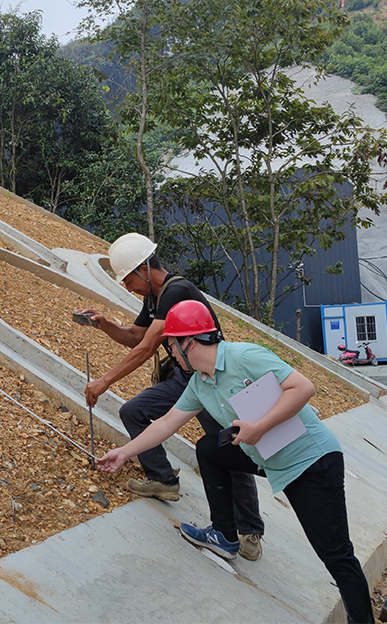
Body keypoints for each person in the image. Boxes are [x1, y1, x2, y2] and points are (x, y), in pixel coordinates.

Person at [97, 299, 373, 624]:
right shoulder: (200, 383)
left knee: (336, 555)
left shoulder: (245, 357)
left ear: (189, 341)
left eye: (170, 344)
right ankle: (225, 535)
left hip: (310, 462)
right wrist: (125, 452)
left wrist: (259, 426)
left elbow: (303, 387)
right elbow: (165, 424)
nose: (169, 352)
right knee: (210, 448)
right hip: (268, 455)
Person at [78, 232, 264, 561]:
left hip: (212, 380)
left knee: (229, 447)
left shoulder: (177, 291)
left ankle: (250, 530)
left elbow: (148, 346)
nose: (127, 286)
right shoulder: (155, 297)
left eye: (128, 279)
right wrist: (105, 324)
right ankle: (163, 479)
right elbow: (135, 335)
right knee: (134, 411)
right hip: (185, 377)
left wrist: (104, 381)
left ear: (144, 269)